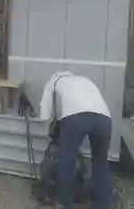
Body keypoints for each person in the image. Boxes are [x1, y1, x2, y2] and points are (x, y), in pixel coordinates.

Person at [40, 71, 112, 209]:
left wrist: (47, 132)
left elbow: (45, 113)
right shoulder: (84, 80)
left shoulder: (53, 83)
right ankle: (101, 204)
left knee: (67, 160)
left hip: (75, 118)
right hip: (104, 118)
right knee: (100, 161)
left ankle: (64, 203)